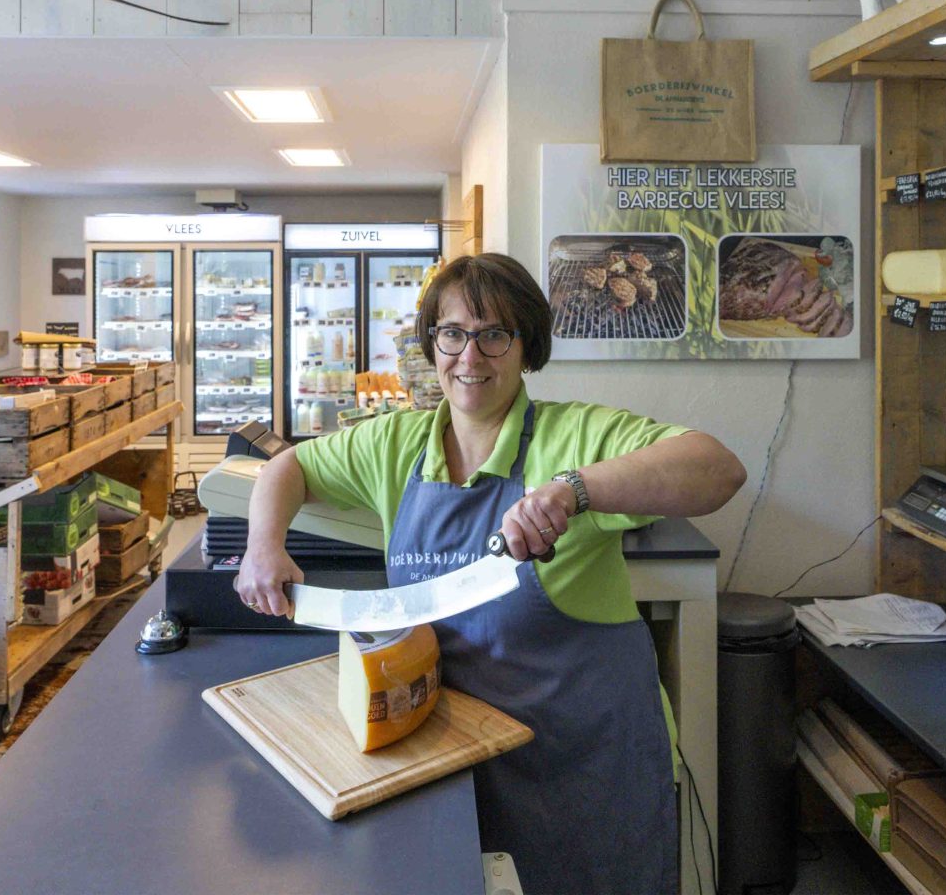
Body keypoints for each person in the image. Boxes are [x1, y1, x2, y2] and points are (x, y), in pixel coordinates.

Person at [235, 253, 746, 894]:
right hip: (453, 756)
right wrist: (263, 547)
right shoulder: (396, 444)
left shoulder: (573, 436)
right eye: (453, 333)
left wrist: (574, 490)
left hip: (584, 769)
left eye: (494, 335)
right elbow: (287, 467)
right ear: (432, 343)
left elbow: (718, 468)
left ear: (526, 347)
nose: (469, 357)